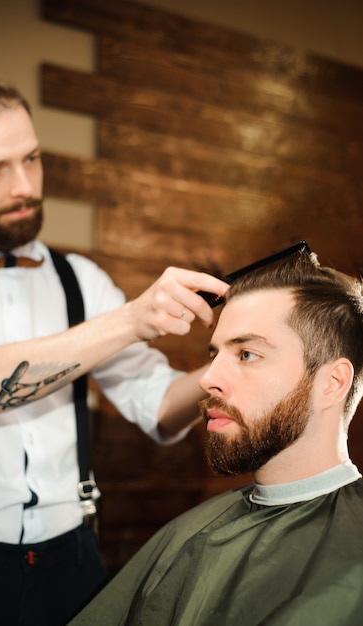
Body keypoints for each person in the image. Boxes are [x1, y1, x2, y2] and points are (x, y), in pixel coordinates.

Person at [0, 79, 228, 626]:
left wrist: (238, 361)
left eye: (32, 158)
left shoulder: (82, 281)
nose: (24, 185)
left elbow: (160, 406)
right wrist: (127, 321)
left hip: (72, 558)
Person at [70, 246, 363, 626]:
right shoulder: (187, 537)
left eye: (246, 354)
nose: (207, 380)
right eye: (214, 355)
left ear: (332, 383)